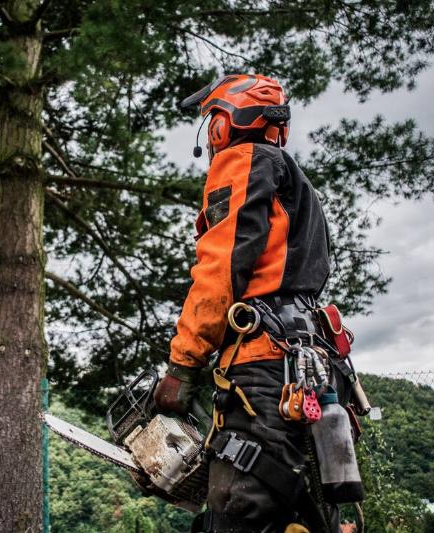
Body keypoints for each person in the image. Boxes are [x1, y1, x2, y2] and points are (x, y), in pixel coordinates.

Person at [154, 74, 352, 533]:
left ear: (224, 123)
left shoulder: (242, 161)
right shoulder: (297, 183)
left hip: (263, 369)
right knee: (301, 513)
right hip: (311, 365)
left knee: (239, 510)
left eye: (213, 123)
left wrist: (182, 365)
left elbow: (220, 269)